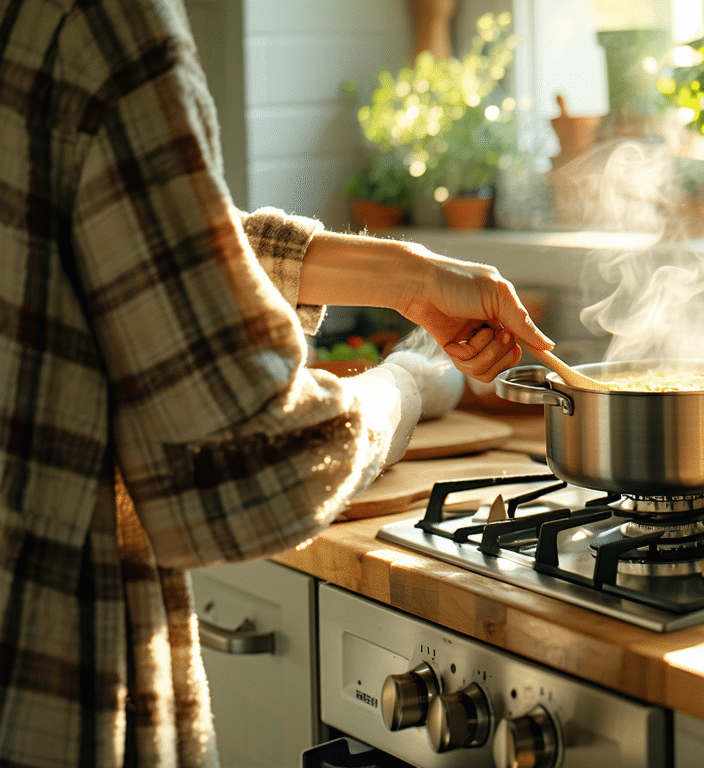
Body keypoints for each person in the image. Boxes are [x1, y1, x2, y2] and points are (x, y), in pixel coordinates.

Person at [0, 0, 553, 765]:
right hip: (42, 665)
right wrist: (405, 386)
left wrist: (408, 275)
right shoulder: (101, 20)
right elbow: (250, 458)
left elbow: (153, 232)